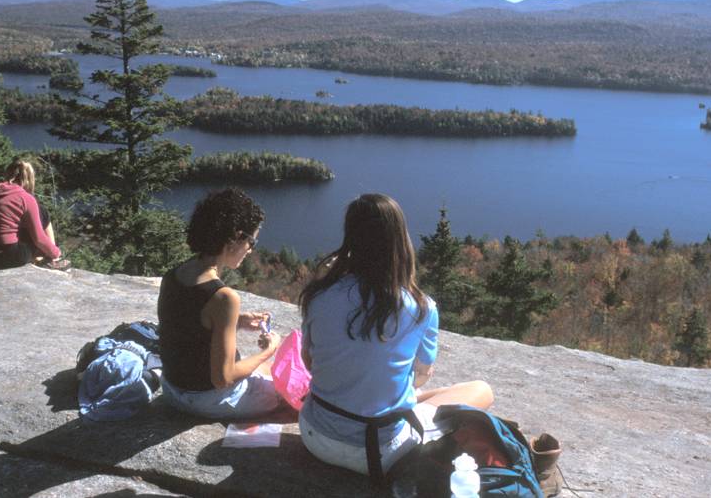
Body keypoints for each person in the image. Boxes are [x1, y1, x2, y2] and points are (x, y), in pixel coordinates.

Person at [298, 193, 493, 483]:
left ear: (350, 236)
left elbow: (309, 361)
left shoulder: (318, 295)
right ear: (399, 240)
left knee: (396, 395)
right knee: (480, 390)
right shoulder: (421, 308)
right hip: (380, 452)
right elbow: (421, 376)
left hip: (315, 435)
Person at [157, 188, 283, 419]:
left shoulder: (173, 275)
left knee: (262, 370)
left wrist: (237, 320)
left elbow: (189, 327)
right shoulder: (224, 297)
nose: (251, 249)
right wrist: (270, 350)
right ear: (235, 238)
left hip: (172, 390)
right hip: (207, 400)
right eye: (252, 240)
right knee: (287, 383)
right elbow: (223, 378)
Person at [0, 158, 68, 270]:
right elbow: (39, 238)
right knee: (42, 213)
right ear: (29, 179)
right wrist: (56, 252)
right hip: (8, 256)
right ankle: (51, 259)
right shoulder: (26, 198)